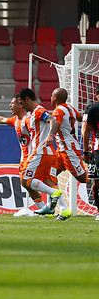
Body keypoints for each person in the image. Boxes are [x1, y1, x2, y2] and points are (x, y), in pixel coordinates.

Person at [0, 96, 47, 210]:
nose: (10, 106)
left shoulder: (29, 120)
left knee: (32, 181)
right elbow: (2, 120)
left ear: (20, 104)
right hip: (24, 158)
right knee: (26, 184)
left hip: (35, 155)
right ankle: (45, 209)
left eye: (12, 103)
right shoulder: (16, 120)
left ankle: (55, 199)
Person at [16, 87, 67, 219]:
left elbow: (53, 120)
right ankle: (64, 209)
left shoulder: (39, 111)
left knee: (25, 180)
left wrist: (50, 135)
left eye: (21, 103)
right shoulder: (33, 113)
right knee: (47, 180)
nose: (21, 106)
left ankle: (53, 193)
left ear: (27, 99)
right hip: (47, 153)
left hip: (41, 152)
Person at [48, 88, 88, 196]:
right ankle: (53, 207)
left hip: (68, 150)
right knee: (49, 175)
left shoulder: (58, 111)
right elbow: (80, 118)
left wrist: (51, 135)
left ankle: (96, 182)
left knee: (83, 178)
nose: (50, 98)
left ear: (55, 98)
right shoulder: (70, 108)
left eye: (52, 95)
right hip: (62, 150)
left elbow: (55, 123)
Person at [82, 85, 99, 220]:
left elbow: (86, 130)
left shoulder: (93, 109)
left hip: (97, 149)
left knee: (96, 181)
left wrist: (86, 151)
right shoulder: (92, 109)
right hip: (96, 149)